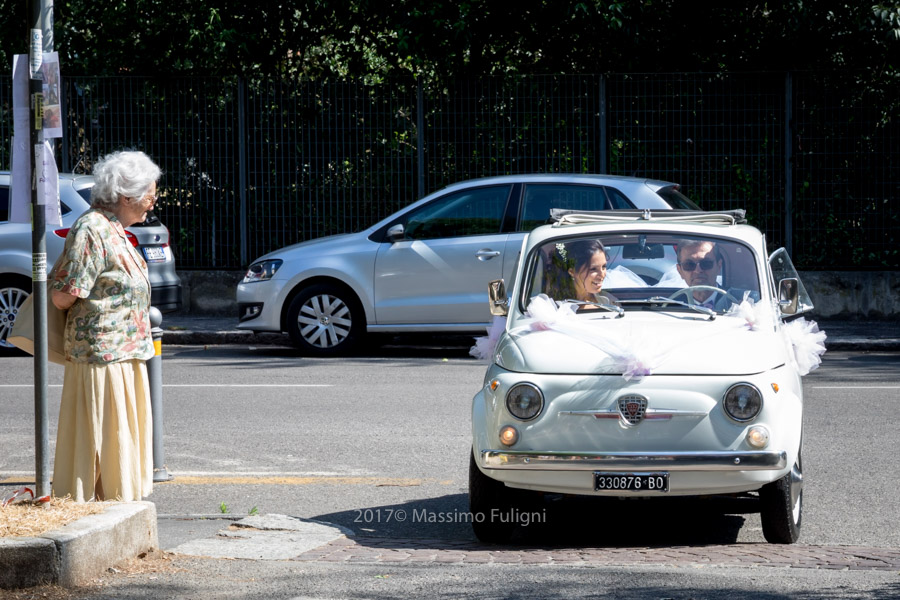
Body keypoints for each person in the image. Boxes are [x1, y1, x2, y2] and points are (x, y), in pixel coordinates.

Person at [50, 150, 160, 502]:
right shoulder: (93, 228)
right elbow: (64, 295)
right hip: (101, 356)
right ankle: (99, 502)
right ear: (127, 196)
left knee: (118, 435)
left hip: (121, 353)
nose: (152, 204)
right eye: (150, 195)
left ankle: (119, 500)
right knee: (105, 435)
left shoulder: (113, 229)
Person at [546, 239, 617, 305]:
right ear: (572, 271)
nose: (602, 274)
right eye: (593, 269)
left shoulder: (610, 301)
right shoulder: (554, 306)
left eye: (604, 267)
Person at [675, 239, 728, 309]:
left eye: (706, 263)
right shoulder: (670, 308)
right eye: (689, 265)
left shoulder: (737, 306)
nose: (698, 270)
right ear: (680, 271)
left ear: (719, 266)